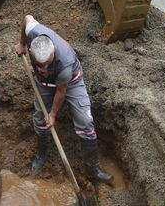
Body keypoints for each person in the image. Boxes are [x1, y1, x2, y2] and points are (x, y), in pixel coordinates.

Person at [13, 15, 113, 182]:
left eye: (47, 63)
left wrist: (52, 114)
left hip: (70, 82)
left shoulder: (64, 63)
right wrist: (22, 43)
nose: (44, 67)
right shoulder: (33, 31)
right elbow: (27, 18)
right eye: (40, 65)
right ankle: (42, 155)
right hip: (44, 84)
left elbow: (61, 92)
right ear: (31, 50)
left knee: (86, 122)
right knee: (39, 118)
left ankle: (93, 169)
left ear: (53, 51)